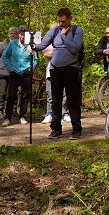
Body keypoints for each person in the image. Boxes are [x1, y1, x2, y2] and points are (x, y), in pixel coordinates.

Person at [34, 8, 84, 140]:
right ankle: (56, 129)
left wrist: (63, 35)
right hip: (55, 68)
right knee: (55, 100)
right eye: (59, 21)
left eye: (63, 21)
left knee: (72, 100)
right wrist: (32, 46)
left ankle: (76, 129)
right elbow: (42, 45)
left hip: (70, 68)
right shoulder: (54, 30)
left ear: (69, 18)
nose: (60, 24)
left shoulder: (77, 30)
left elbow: (75, 48)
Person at [1, 26, 38, 126]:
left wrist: (32, 67)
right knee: (11, 95)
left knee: (25, 95)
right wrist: (9, 67)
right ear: (18, 35)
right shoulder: (13, 43)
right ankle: (7, 118)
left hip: (26, 72)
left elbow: (35, 59)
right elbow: (4, 56)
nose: (22, 37)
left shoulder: (31, 45)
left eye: (24, 35)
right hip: (15, 72)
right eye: (21, 34)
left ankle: (22, 116)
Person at [0, 27, 17, 120]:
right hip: (2, 71)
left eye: (14, 33)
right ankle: (0, 110)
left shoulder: (19, 45)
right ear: (8, 34)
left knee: (13, 93)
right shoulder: (2, 44)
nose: (12, 35)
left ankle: (13, 110)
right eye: (11, 33)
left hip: (14, 72)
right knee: (3, 92)